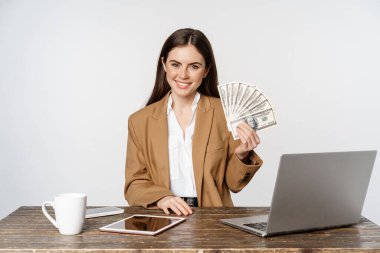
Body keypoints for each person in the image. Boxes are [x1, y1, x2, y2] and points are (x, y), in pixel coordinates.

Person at [124, 28, 263, 216]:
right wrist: (161, 197)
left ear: (206, 70)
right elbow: (134, 184)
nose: (183, 75)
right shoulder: (139, 121)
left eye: (194, 66)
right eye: (175, 64)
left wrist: (242, 155)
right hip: (162, 216)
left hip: (213, 221)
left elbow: (234, 185)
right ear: (164, 64)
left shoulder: (224, 114)